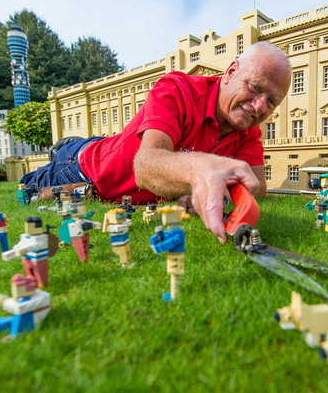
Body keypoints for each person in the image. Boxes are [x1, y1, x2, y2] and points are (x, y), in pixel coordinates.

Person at [20, 41, 291, 243]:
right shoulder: (177, 88)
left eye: (271, 101)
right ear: (231, 72)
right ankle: (62, 147)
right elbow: (146, 168)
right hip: (81, 164)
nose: (258, 106)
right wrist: (199, 172)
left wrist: (219, 191)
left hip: (111, 172)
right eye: (255, 88)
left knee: (91, 188)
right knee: (30, 188)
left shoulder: (248, 129)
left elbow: (258, 187)